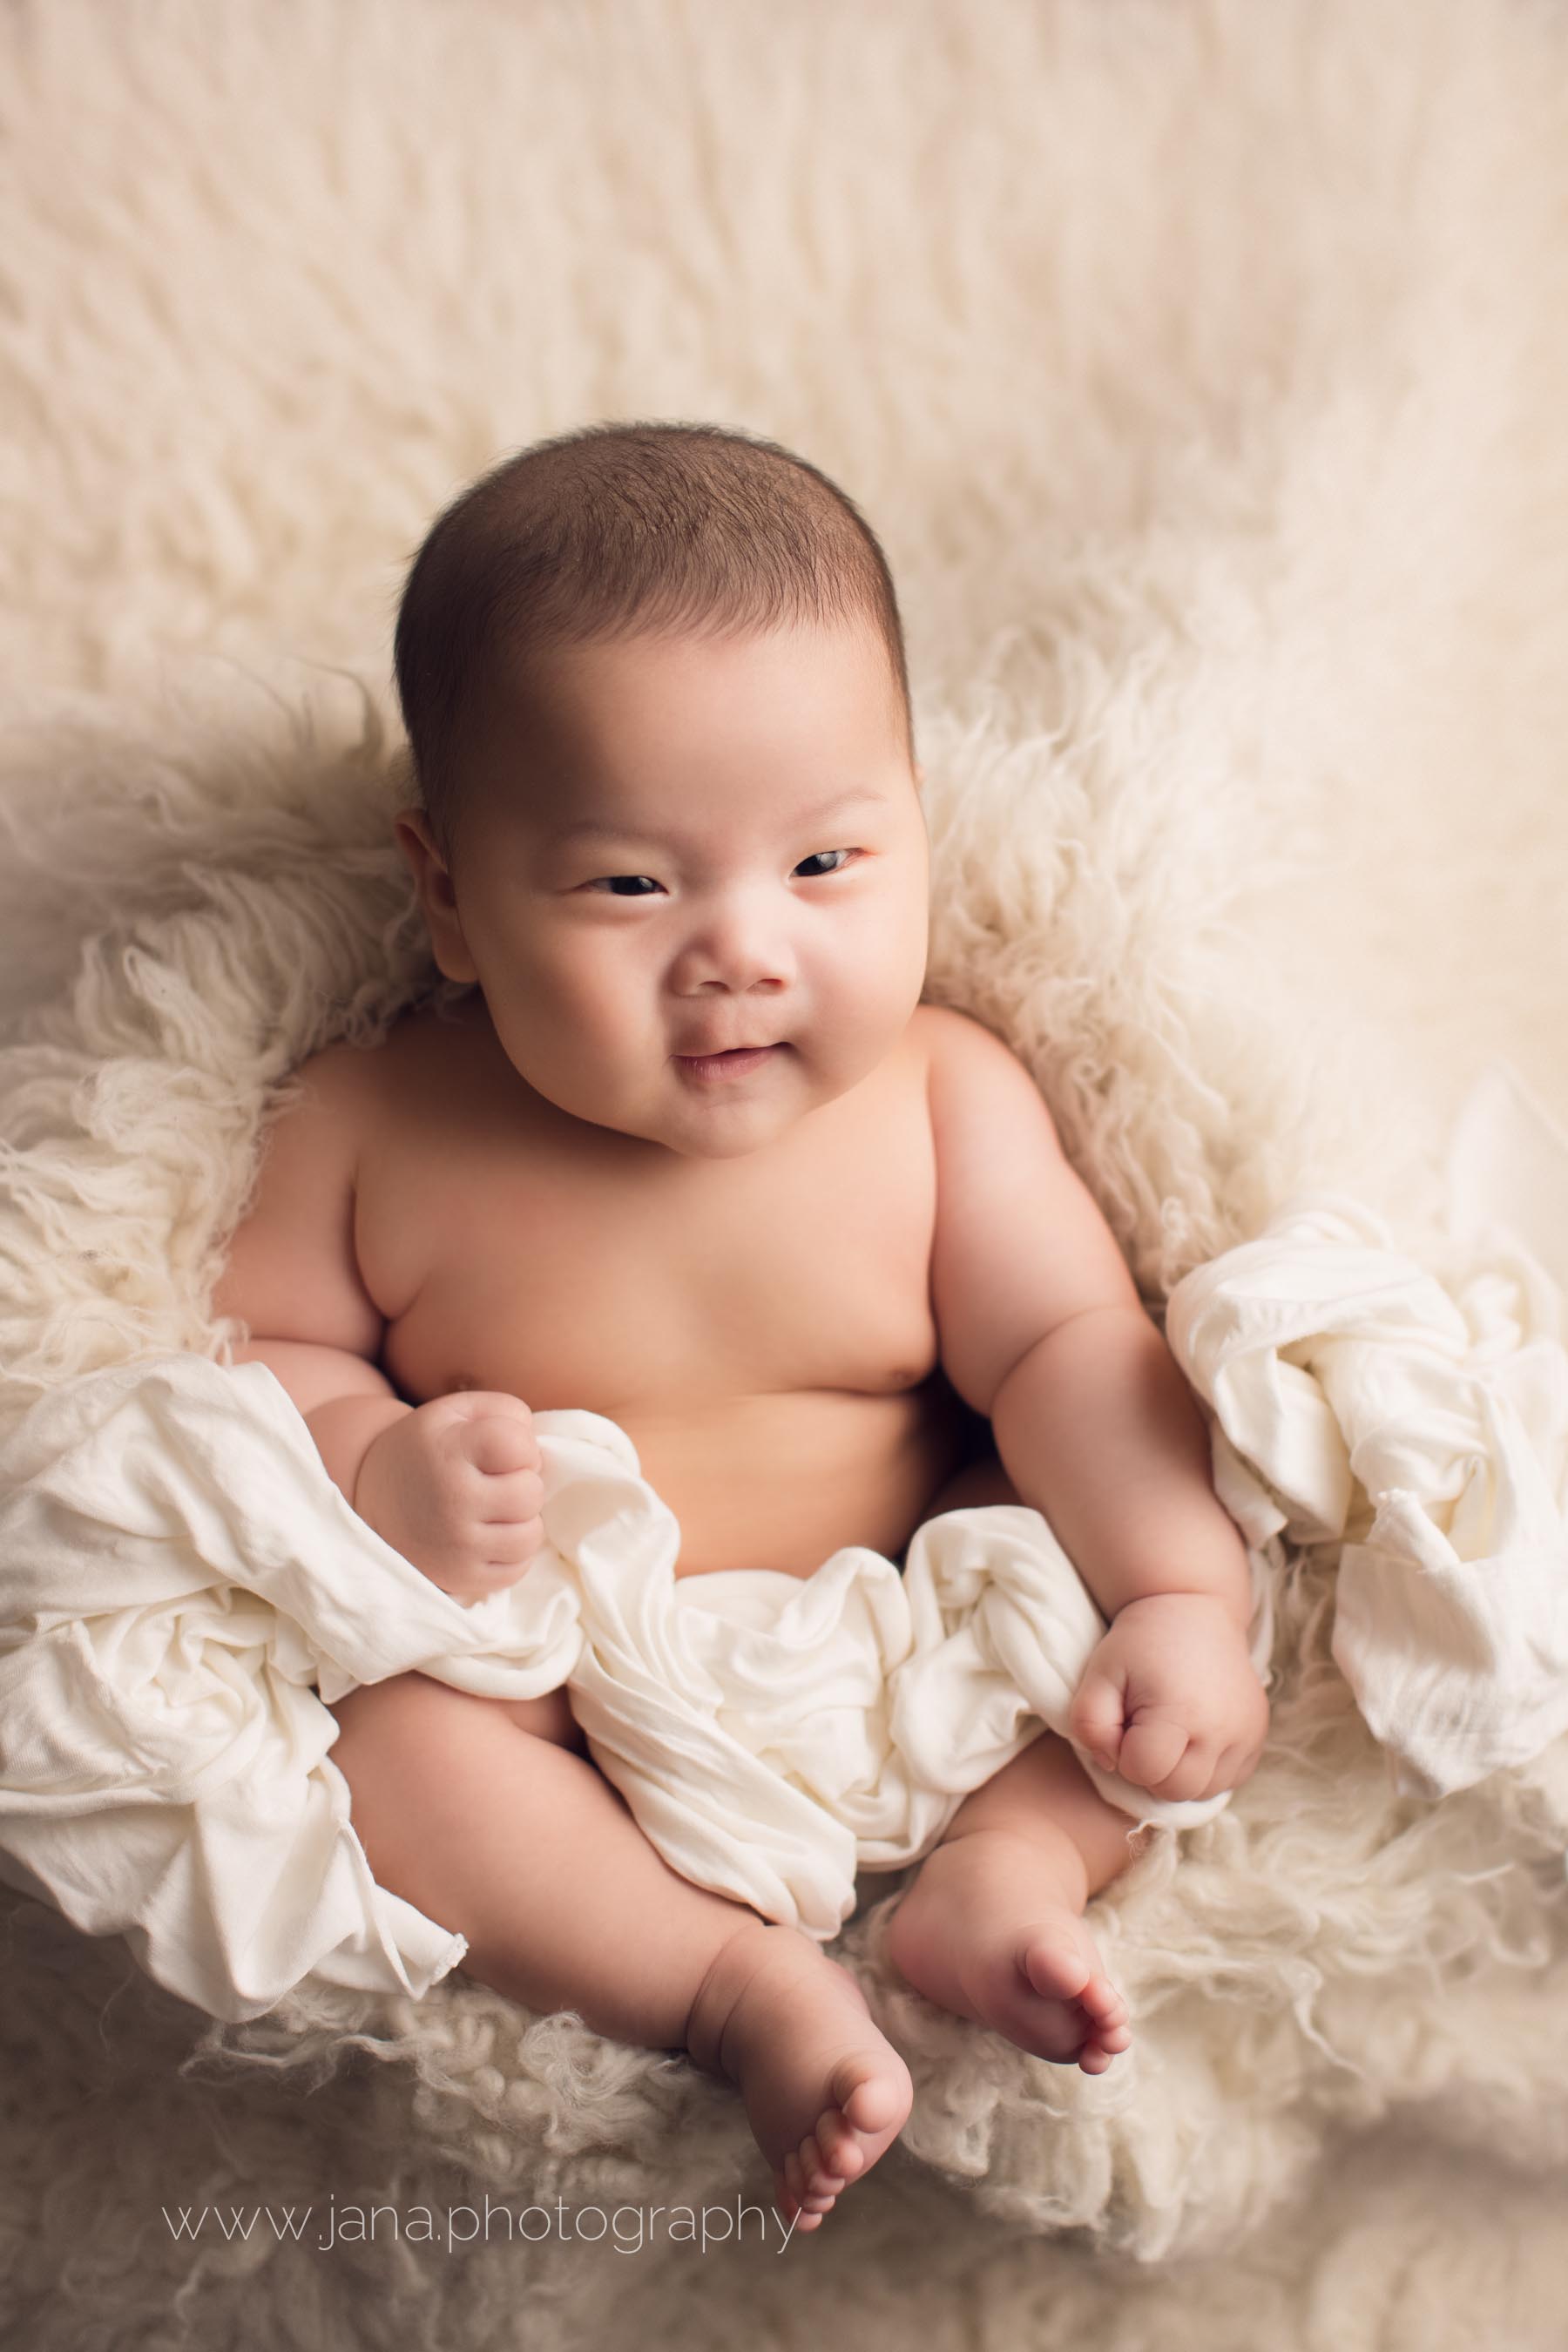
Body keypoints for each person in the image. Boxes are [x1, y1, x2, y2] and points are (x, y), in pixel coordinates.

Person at [213, 420, 1269, 2232]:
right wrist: (370, 1462)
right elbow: (247, 1375)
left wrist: (1185, 1594)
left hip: (907, 1634)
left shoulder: (942, 1098)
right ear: (450, 892)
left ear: (919, 822)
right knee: (389, 1750)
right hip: (566, 1699)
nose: (741, 950)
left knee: (1104, 1677)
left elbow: (1070, 1355)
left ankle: (998, 1880)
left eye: (829, 862)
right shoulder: (372, 1126)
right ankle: (719, 1986)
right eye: (633, 884)